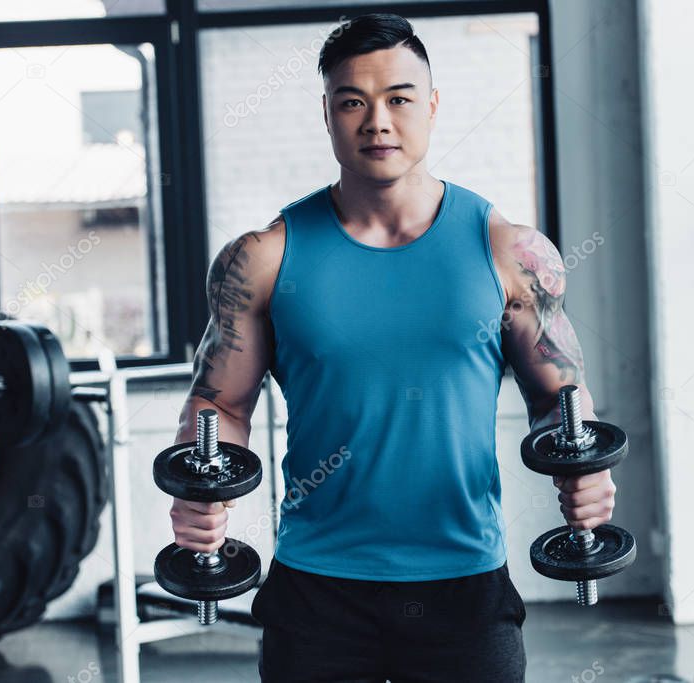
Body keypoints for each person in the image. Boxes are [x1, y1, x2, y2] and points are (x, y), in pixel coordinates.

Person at [167, 12, 617, 682]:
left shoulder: (509, 253)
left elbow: (561, 400)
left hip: (464, 583)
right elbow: (219, 402)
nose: (377, 121)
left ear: (431, 107)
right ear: (326, 114)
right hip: (318, 587)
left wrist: (589, 475)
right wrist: (198, 486)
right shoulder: (263, 258)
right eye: (353, 101)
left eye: (399, 99)